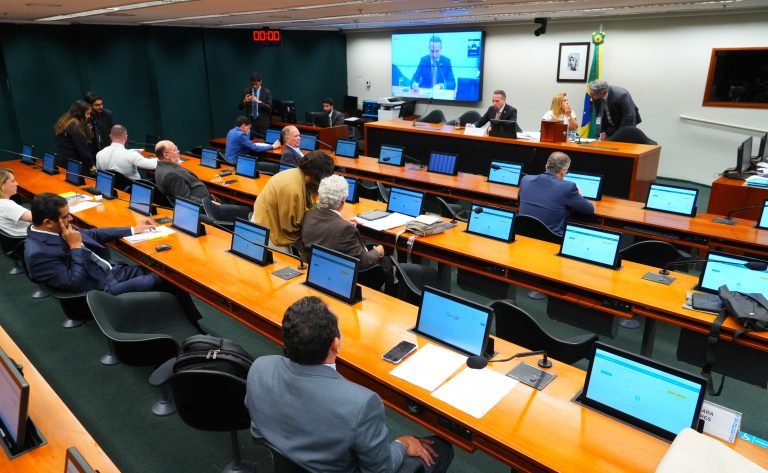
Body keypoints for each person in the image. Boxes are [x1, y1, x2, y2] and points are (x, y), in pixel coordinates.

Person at [244, 296, 454, 473]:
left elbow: (256, 428)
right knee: (443, 448)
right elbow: (380, 470)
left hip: (284, 460)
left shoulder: (260, 367)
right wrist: (403, 443)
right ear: (335, 344)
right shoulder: (362, 404)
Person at [23, 193, 203, 324]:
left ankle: (188, 322)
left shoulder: (58, 229)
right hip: (101, 291)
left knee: (166, 270)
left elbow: (93, 233)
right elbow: (74, 283)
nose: (70, 218)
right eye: (65, 216)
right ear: (48, 222)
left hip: (111, 271)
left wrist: (133, 229)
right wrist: (75, 247)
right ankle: (192, 328)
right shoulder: (38, 253)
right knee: (170, 278)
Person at [252, 151, 334, 251]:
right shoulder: (293, 189)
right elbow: (289, 229)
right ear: (318, 174)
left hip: (263, 221)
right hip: (269, 234)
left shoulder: (295, 173)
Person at [302, 175, 384, 270]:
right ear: (342, 201)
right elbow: (363, 262)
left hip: (314, 267)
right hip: (338, 271)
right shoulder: (346, 229)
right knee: (386, 263)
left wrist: (341, 222)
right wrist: (378, 251)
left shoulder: (308, 215)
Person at [154, 140, 250, 220]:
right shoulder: (170, 174)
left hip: (207, 199)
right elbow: (186, 199)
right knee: (246, 210)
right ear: (166, 155)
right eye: (175, 150)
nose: (178, 151)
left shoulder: (161, 168)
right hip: (206, 209)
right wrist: (210, 203)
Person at [518, 152, 594, 235]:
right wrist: (579, 195)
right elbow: (589, 210)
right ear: (563, 172)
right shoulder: (568, 187)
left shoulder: (526, 180)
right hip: (551, 240)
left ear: (546, 165)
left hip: (522, 233)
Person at [54, 100, 95, 172]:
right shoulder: (76, 125)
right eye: (87, 114)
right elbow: (83, 148)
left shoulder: (64, 120)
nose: (89, 116)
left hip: (62, 160)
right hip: (73, 165)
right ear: (80, 113)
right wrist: (91, 164)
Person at [238, 73, 272, 139]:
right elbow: (240, 107)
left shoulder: (267, 92)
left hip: (262, 123)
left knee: (263, 143)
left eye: (256, 84)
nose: (254, 86)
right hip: (250, 123)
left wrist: (258, 101)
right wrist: (244, 101)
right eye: (252, 84)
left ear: (260, 82)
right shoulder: (246, 91)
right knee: (250, 143)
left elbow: (270, 108)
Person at [0, 169, 32, 237]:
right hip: (27, 237)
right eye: (13, 181)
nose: (17, 184)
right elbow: (39, 218)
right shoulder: (7, 206)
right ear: (2, 185)